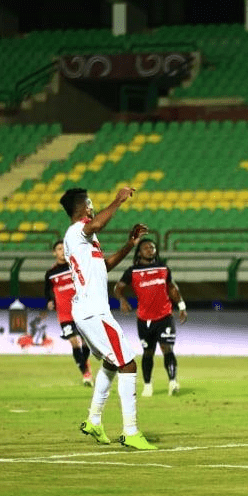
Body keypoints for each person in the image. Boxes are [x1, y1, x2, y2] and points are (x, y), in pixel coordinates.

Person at [60, 186, 157, 450]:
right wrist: (118, 200)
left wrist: (129, 245)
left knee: (112, 363)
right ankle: (131, 431)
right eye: (90, 204)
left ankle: (94, 420)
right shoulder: (76, 231)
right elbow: (97, 224)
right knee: (128, 364)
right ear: (84, 207)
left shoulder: (84, 239)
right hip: (93, 311)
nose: (93, 208)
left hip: (89, 311)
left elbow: (104, 266)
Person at [114, 238, 187, 397]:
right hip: (144, 319)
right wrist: (122, 300)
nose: (150, 250)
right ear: (139, 252)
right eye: (146, 248)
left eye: (152, 247)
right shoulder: (132, 271)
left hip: (165, 316)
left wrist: (181, 305)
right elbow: (118, 288)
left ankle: (173, 382)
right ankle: (147, 385)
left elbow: (172, 288)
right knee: (148, 352)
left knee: (167, 348)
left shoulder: (163, 268)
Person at [45, 240, 92, 386]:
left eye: (64, 248)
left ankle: (85, 365)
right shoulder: (50, 273)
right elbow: (47, 291)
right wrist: (50, 300)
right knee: (73, 342)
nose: (62, 251)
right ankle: (86, 373)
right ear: (54, 253)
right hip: (65, 315)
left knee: (86, 342)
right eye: (59, 249)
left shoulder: (75, 267)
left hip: (82, 311)